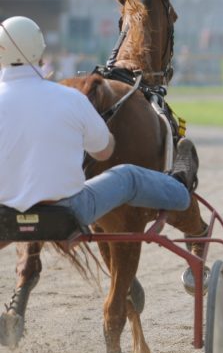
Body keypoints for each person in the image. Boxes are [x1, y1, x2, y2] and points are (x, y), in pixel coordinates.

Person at [0, 16, 198, 227]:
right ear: (39, 50)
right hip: (68, 214)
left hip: (4, 218)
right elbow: (103, 152)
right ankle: (179, 185)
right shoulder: (70, 98)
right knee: (127, 175)